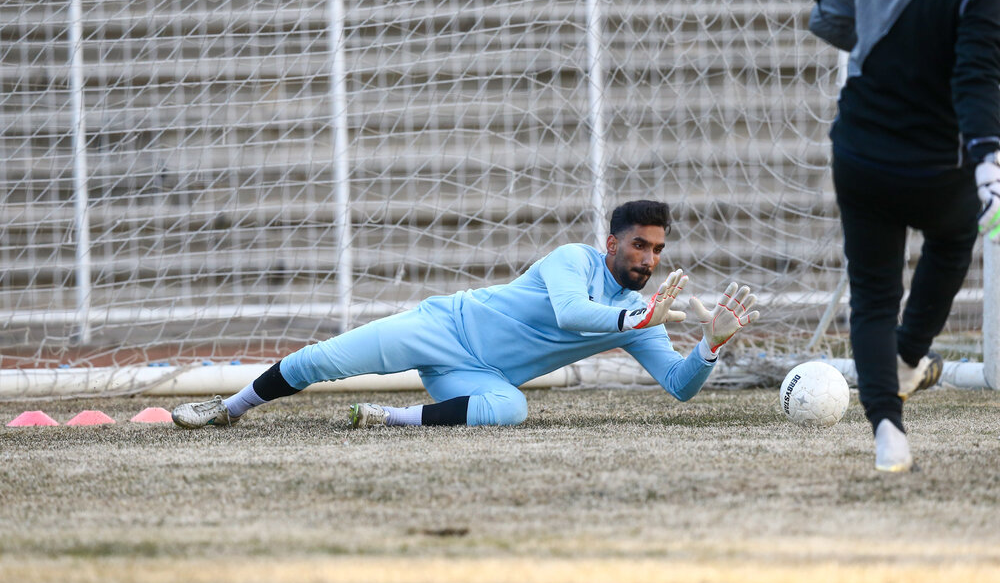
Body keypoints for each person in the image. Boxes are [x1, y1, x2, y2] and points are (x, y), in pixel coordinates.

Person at [171, 200, 759, 429]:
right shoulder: (573, 260)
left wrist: (709, 345)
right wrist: (638, 321)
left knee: (512, 408)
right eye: (640, 246)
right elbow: (573, 313)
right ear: (612, 243)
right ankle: (229, 408)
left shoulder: (641, 311)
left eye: (657, 250)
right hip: (444, 327)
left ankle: (389, 417)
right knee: (325, 360)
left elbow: (679, 388)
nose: (650, 258)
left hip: (479, 376)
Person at [809, 0, 1000, 472]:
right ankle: (909, 356)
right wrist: (989, 162)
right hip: (936, 166)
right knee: (953, 240)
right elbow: (976, 79)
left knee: (872, 296)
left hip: (861, 153)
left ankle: (888, 432)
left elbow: (832, 23)